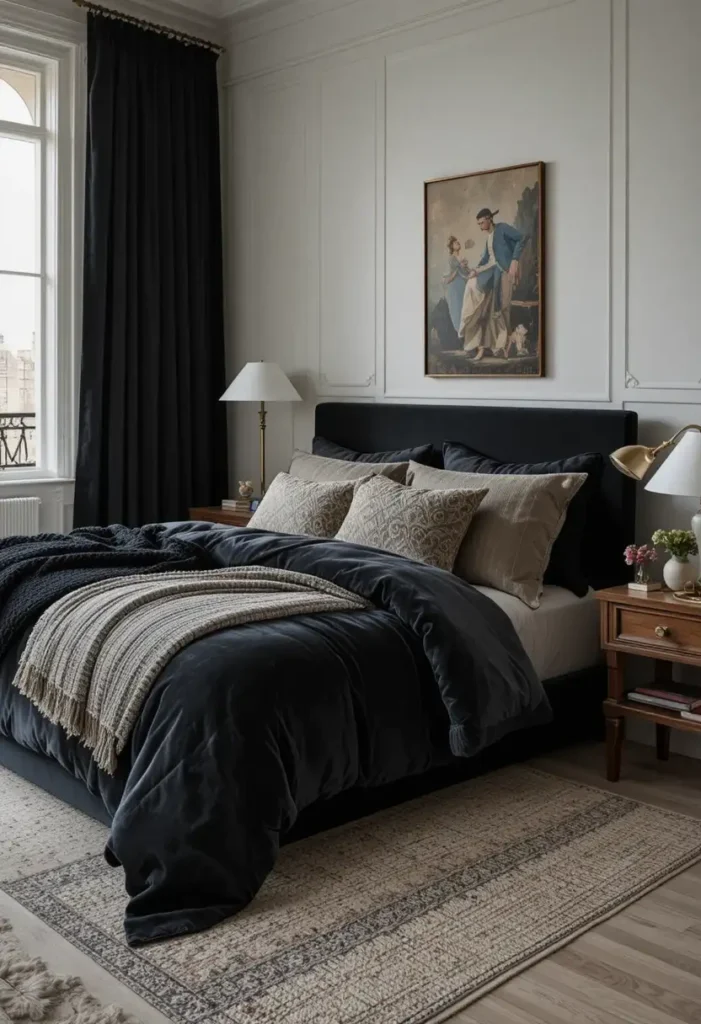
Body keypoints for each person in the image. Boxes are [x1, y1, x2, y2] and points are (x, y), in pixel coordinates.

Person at [458, 208, 526, 361]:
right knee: (487, 305)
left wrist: (515, 260)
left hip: (505, 272)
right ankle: (494, 346)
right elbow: (486, 261)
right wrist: (474, 270)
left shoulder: (502, 228)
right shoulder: (488, 238)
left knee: (503, 308)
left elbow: (521, 238)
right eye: (479, 224)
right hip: (493, 274)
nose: (480, 226)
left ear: (489, 219)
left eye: (482, 222)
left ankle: (506, 346)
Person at [442, 235, 469, 335]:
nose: (458, 243)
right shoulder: (451, 259)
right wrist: (459, 267)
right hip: (454, 287)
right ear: (451, 246)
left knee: (464, 309)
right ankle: (459, 334)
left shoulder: (462, 258)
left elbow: (466, 274)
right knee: (457, 310)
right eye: (455, 242)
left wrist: (467, 269)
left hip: (463, 286)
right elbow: (448, 278)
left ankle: (464, 334)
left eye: (458, 242)